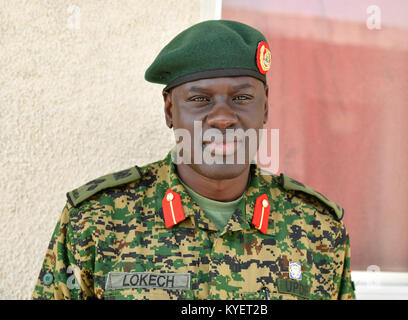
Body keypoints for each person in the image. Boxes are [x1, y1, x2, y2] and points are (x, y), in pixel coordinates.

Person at [32, 20, 355, 300]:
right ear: (170, 110)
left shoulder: (318, 228)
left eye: (242, 98)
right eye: (200, 100)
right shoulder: (96, 220)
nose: (224, 118)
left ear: (265, 107)